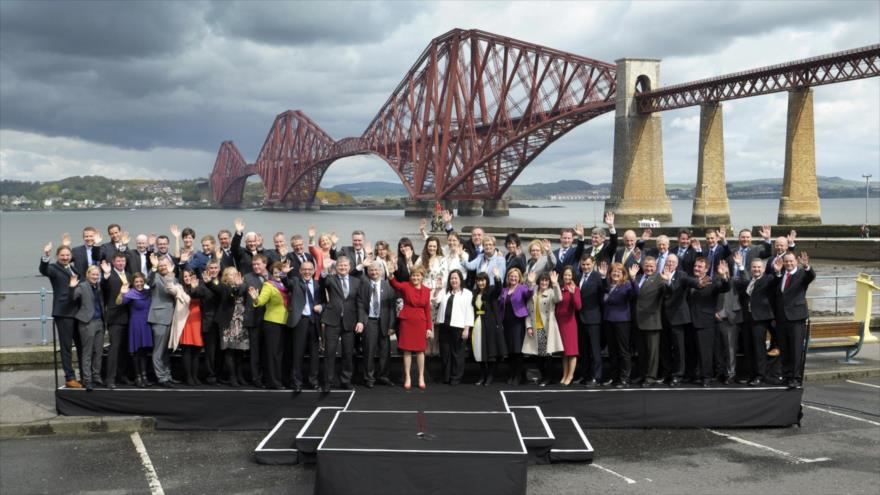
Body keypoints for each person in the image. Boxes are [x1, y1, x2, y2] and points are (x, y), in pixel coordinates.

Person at [40, 243, 83, 388]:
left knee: (81, 346)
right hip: (64, 312)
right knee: (66, 347)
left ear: (71, 256)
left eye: (67, 255)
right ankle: (70, 377)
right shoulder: (53, 268)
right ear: (57, 256)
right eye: (62, 255)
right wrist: (45, 256)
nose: (65, 257)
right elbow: (44, 270)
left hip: (78, 312)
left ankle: (84, 375)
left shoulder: (73, 268)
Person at [687, 257, 731, 387]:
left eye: (700, 267)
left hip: (705, 323)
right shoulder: (690, 281)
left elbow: (725, 288)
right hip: (689, 322)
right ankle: (694, 375)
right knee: (692, 351)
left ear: (706, 269)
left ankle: (706, 377)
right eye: (696, 266)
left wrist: (724, 276)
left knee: (705, 352)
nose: (696, 268)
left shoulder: (713, 282)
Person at [773, 252, 815, 388]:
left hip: (796, 318)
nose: (789, 264)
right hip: (782, 319)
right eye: (786, 262)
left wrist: (807, 266)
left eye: (791, 261)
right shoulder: (781, 275)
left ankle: (795, 378)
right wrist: (777, 273)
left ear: (796, 261)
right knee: (784, 349)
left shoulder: (803, 274)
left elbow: (811, 276)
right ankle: (786, 376)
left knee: (796, 350)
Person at [320, 256, 362, 390]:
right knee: (330, 353)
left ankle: (346, 380)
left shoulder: (356, 281)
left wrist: (360, 320)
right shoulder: (331, 278)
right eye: (340, 266)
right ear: (336, 267)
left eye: (345, 266)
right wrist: (325, 268)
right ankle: (328, 382)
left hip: (350, 322)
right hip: (332, 321)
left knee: (348, 353)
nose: (343, 268)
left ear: (349, 267)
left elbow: (359, 302)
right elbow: (322, 282)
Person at [389, 264, 432, 390]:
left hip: (421, 322)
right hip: (407, 322)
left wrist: (429, 327)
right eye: (413, 275)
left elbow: (428, 310)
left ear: (422, 277)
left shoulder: (426, 290)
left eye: (418, 275)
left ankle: (421, 377)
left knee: (420, 351)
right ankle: (407, 377)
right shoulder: (406, 286)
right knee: (406, 350)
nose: (415, 278)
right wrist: (391, 274)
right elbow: (395, 284)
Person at [734, 257, 776, 386]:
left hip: (760, 320)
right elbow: (742, 281)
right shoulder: (749, 281)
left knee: (759, 349)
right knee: (749, 348)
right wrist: (741, 266)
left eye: (759, 267)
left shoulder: (767, 279)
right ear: (750, 269)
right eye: (754, 267)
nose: (756, 269)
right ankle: (751, 374)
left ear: (763, 269)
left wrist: (777, 271)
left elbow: (776, 281)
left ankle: (760, 375)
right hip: (747, 319)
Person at [249, 261, 290, 390]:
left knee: (282, 354)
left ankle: (282, 379)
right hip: (272, 323)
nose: (278, 274)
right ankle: (273, 382)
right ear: (272, 273)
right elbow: (261, 301)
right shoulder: (268, 285)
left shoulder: (288, 284)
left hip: (286, 323)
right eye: (276, 272)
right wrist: (255, 298)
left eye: (281, 272)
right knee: (273, 355)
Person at [599, 261, 641, 388]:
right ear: (610, 273)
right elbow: (602, 294)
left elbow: (636, 293)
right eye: (613, 271)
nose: (616, 273)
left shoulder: (627, 284)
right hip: (608, 320)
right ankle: (613, 376)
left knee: (624, 351)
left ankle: (624, 379)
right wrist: (602, 277)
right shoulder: (607, 284)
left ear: (623, 273)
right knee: (612, 351)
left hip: (622, 321)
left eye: (619, 271)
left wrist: (633, 279)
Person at [356, 261, 397, 388]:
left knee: (385, 351)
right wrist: (362, 321)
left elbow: (392, 308)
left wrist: (391, 326)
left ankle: (383, 376)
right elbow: (360, 304)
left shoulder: (388, 286)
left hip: (384, 322)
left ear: (381, 271)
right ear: (368, 272)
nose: (374, 272)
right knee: (369, 350)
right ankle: (369, 378)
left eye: (376, 270)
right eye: (371, 270)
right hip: (370, 321)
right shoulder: (364, 285)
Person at [659, 254, 698, 387]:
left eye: (672, 262)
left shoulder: (682, 275)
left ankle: (678, 375)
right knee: (665, 348)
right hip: (663, 318)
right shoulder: (660, 274)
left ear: (677, 264)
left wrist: (669, 281)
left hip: (678, 318)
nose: (670, 263)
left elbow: (674, 290)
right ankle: (667, 373)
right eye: (668, 261)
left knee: (679, 348)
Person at [286, 261, 324, 392]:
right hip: (300, 322)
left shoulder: (318, 284)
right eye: (304, 269)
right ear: (300, 271)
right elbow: (287, 283)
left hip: (314, 322)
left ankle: (313, 381)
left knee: (314, 355)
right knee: (298, 353)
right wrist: (283, 274)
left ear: (313, 271)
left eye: (309, 269)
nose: (307, 272)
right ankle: (297, 383)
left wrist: (322, 306)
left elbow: (325, 302)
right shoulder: (295, 282)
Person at [431, 270, 474, 385]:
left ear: (460, 279)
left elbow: (469, 311)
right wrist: (437, 289)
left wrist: (467, 328)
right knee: (445, 353)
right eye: (451, 278)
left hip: (459, 327)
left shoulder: (467, 293)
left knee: (457, 354)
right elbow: (434, 301)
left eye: (456, 278)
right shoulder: (445, 292)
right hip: (444, 327)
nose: (453, 280)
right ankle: (446, 377)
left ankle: (456, 377)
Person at [523, 271, 564, 386]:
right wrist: (528, 326)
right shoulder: (533, 291)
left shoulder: (551, 292)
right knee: (539, 356)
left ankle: (548, 378)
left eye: (546, 280)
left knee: (547, 356)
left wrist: (555, 284)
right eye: (542, 280)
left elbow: (559, 298)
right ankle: (545, 376)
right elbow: (528, 310)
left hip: (547, 328)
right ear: (539, 281)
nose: (544, 282)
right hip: (535, 327)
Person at [68, 266, 105, 391]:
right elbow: (72, 297)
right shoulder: (82, 286)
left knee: (98, 352)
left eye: (97, 274)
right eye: (93, 274)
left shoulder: (98, 286)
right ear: (87, 274)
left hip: (100, 322)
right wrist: (72, 286)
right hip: (87, 323)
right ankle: (87, 379)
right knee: (87, 352)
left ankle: (96, 376)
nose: (95, 276)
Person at [146, 256, 179, 387]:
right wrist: (153, 267)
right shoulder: (155, 277)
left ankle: (167, 374)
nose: (162, 267)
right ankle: (161, 377)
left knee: (166, 350)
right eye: (161, 265)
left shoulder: (174, 278)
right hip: (159, 317)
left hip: (171, 317)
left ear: (170, 265)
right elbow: (149, 280)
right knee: (159, 350)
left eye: (165, 265)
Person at [100, 254, 131, 389]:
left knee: (125, 348)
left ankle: (122, 376)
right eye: (118, 261)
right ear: (113, 262)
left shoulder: (129, 275)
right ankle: (110, 379)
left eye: (123, 260)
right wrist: (105, 275)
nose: (121, 263)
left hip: (130, 316)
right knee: (114, 348)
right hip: (115, 317)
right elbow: (103, 287)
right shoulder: (109, 275)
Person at [214, 267, 249, 387]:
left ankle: (240, 376)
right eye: (230, 274)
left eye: (235, 273)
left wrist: (240, 285)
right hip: (228, 322)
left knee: (240, 351)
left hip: (241, 321)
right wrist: (237, 286)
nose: (233, 276)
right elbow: (232, 294)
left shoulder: (243, 285)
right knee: (229, 350)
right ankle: (232, 377)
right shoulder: (223, 287)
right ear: (225, 277)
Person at [118, 272, 154, 387]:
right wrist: (121, 293)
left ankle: (144, 376)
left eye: (141, 281)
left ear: (144, 282)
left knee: (144, 352)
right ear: (133, 283)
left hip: (146, 324)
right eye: (136, 282)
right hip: (135, 325)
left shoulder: (147, 292)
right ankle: (138, 377)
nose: (139, 283)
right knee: (136, 352)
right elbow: (119, 302)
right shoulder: (130, 293)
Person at [634, 256, 665, 387]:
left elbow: (668, 292)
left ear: (656, 267)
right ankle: (642, 374)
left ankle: (651, 377)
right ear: (643, 266)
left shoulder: (660, 279)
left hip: (652, 320)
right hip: (637, 320)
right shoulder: (637, 277)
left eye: (652, 266)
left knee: (653, 352)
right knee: (641, 351)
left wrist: (668, 282)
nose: (649, 268)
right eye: (647, 266)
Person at [471, 272, 506, 385]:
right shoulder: (475, 293)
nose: (481, 282)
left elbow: (498, 289)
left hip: (490, 325)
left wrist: (497, 277)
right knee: (479, 351)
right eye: (479, 280)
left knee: (490, 351)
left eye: (483, 280)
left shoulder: (491, 291)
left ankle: (490, 376)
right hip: (477, 325)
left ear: (487, 281)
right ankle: (482, 375)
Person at [499, 267, 532, 384]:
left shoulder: (522, 288)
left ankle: (518, 375)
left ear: (519, 278)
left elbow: (529, 293)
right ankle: (512, 373)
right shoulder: (504, 290)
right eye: (511, 276)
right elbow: (500, 307)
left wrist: (531, 283)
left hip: (518, 322)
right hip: (506, 323)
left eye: (515, 276)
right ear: (508, 278)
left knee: (517, 350)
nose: (513, 278)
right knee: (510, 350)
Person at [575, 255, 604, 387]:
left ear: (593, 263)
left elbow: (604, 292)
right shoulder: (578, 276)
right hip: (580, 319)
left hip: (593, 319)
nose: (585, 267)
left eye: (588, 264)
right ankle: (584, 375)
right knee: (583, 350)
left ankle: (596, 377)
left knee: (595, 350)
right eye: (583, 264)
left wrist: (604, 279)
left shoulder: (598, 277)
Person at [243, 255, 269, 387]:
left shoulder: (271, 277)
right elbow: (239, 292)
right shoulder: (247, 278)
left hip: (271, 321)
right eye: (254, 265)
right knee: (255, 352)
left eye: (259, 264)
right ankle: (256, 378)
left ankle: (268, 377)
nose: (256, 267)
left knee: (268, 351)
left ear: (265, 264)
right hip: (254, 320)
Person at [555, 266, 582, 386]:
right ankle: (564, 375)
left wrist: (572, 294)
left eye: (569, 275)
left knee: (571, 352)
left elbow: (578, 306)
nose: (567, 277)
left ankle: (570, 376)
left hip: (570, 323)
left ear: (573, 277)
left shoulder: (575, 289)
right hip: (559, 323)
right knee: (564, 352)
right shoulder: (560, 288)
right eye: (565, 275)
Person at [197, 260, 222, 385]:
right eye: (211, 268)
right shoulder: (202, 283)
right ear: (207, 269)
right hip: (209, 322)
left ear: (219, 268)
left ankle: (219, 374)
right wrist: (194, 287)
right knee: (210, 352)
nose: (213, 270)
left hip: (222, 323)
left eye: (215, 267)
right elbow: (197, 293)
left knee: (220, 351)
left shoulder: (223, 281)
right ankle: (211, 376)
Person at [178, 269, 205, 386]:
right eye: (185, 276)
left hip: (197, 320)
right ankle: (188, 376)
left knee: (196, 351)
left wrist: (195, 288)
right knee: (187, 350)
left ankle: (195, 376)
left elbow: (201, 295)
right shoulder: (180, 288)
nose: (188, 278)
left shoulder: (201, 287)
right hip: (186, 320)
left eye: (190, 276)